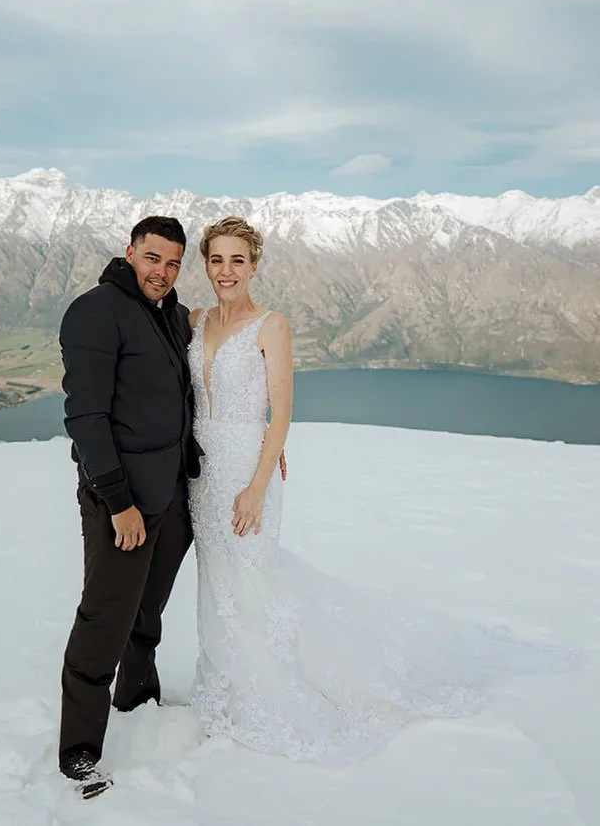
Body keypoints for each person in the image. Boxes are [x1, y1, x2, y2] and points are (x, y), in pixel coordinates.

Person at [186, 215, 580, 763]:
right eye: (216, 259)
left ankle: (268, 690)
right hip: (201, 475)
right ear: (204, 264)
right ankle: (225, 683)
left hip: (246, 474)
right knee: (218, 578)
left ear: (254, 267)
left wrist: (257, 483)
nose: (226, 271)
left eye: (238, 260)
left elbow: (281, 412)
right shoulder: (196, 319)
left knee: (253, 575)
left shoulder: (270, 324)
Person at [57, 215, 201, 797]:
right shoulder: (96, 310)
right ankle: (80, 752)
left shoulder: (168, 313)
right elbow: (86, 418)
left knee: (148, 612)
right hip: (123, 503)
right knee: (106, 618)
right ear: (129, 252)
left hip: (171, 491)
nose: (162, 272)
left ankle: (138, 700)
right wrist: (118, 503)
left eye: (171, 263)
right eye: (152, 258)